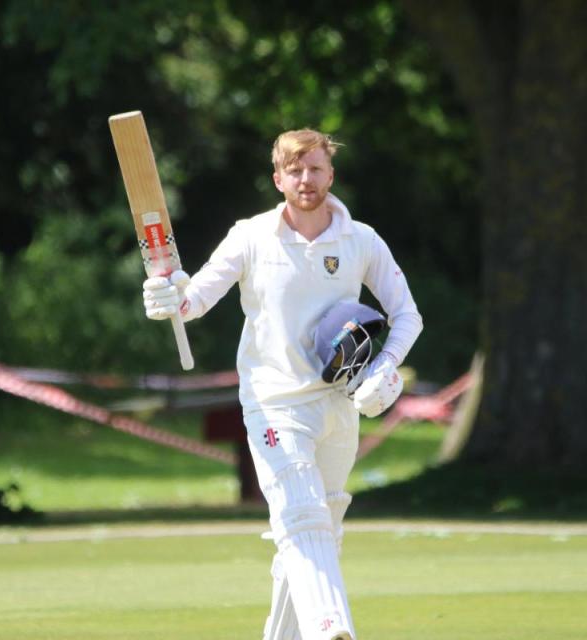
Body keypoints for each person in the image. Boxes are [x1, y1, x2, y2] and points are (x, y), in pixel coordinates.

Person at [143, 130, 422, 640]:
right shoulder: (251, 235)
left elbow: (407, 316)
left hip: (338, 405)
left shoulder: (360, 240)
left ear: (331, 174)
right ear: (277, 178)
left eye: (315, 169)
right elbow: (196, 297)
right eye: (294, 171)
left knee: (318, 530)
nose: (306, 179)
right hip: (273, 404)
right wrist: (169, 297)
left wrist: (385, 366)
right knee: (302, 515)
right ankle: (330, 628)